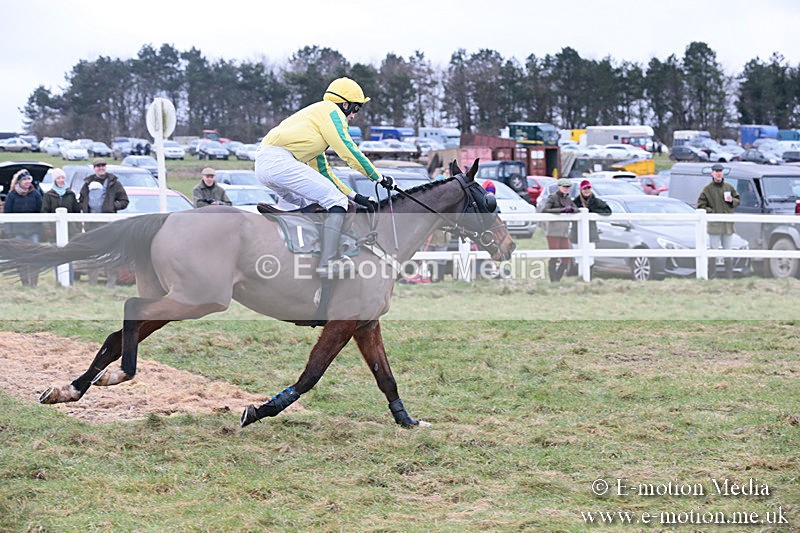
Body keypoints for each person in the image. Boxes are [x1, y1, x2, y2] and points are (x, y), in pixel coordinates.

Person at [255, 77, 391, 279]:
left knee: (312, 203)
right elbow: (348, 150)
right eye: (355, 109)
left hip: (266, 165)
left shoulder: (313, 125)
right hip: (279, 162)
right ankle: (328, 262)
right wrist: (377, 177)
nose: (353, 116)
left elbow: (325, 173)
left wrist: (355, 196)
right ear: (344, 104)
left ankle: (305, 253)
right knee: (335, 201)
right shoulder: (331, 112)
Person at [78, 158, 129, 287]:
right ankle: (92, 282)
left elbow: (124, 201)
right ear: (94, 168)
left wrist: (112, 206)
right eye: (98, 166)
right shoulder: (87, 183)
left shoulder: (114, 183)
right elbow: (81, 200)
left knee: (110, 253)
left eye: (103, 165)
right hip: (92, 225)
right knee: (93, 254)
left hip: (108, 224)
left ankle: (111, 282)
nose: (101, 168)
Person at [697, 163, 740, 279]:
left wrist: (732, 201)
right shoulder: (707, 189)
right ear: (712, 173)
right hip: (715, 226)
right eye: (716, 171)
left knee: (728, 252)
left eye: (720, 171)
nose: (718, 173)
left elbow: (738, 200)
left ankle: (729, 277)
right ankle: (712, 276)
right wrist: (711, 212)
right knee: (713, 252)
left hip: (727, 226)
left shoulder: (729, 187)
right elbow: (700, 205)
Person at [3, 169, 43, 285]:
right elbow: (7, 214)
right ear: (19, 182)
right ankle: (25, 282)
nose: (27, 182)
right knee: (20, 258)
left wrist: (41, 229)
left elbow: (41, 212)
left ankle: (34, 283)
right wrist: (9, 233)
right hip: (18, 232)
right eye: (24, 179)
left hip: (33, 231)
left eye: (28, 179)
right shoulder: (12, 195)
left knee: (35, 257)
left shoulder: (35, 194)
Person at [569, 180, 612, 274]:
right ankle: (581, 276)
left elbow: (608, 211)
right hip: (577, 233)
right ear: (581, 190)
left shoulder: (596, 201)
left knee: (590, 257)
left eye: (588, 188)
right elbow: (570, 215)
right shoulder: (575, 202)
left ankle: (589, 276)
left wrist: (591, 212)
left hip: (590, 233)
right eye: (585, 188)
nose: (587, 190)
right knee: (578, 257)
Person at [542, 178, 577, 282]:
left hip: (564, 232)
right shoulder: (553, 197)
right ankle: (553, 279)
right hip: (553, 231)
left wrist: (571, 210)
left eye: (568, 187)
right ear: (559, 187)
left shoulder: (569, 199)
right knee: (554, 256)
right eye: (564, 187)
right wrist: (561, 210)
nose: (566, 189)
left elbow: (577, 209)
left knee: (566, 257)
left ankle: (557, 278)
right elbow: (545, 210)